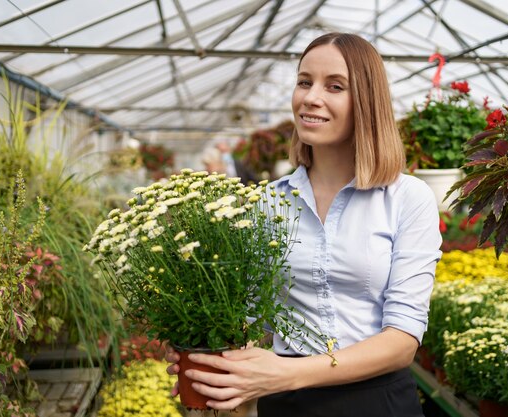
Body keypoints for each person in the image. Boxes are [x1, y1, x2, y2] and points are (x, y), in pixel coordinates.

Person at [165, 32, 442, 417]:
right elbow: (250, 314)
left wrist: (286, 373)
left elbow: (402, 343)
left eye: (335, 86)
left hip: (377, 402)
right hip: (287, 405)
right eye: (304, 81)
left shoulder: (406, 198)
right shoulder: (268, 201)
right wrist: (205, 350)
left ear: (366, 101)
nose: (311, 97)